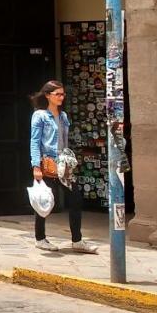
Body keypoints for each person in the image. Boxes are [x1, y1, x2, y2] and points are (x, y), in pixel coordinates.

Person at [29, 80, 97, 253]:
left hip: (63, 163)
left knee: (75, 199)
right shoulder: (40, 115)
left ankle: (77, 241)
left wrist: (68, 159)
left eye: (62, 94)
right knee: (44, 201)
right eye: (57, 94)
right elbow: (35, 142)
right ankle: (40, 238)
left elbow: (64, 141)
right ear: (47, 95)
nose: (61, 97)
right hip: (48, 163)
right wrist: (36, 166)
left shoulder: (63, 115)